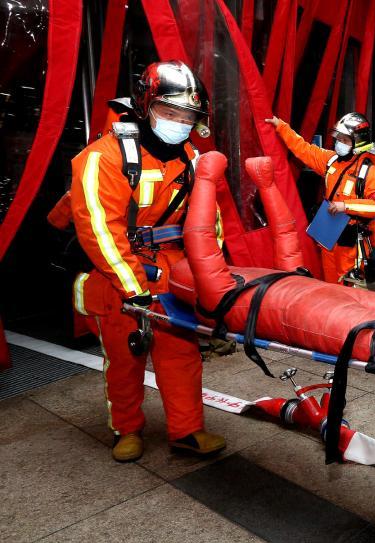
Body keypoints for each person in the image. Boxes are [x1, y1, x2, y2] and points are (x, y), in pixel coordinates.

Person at [69, 61, 227, 462]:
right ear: (144, 105)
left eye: (188, 116)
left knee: (182, 355)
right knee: (125, 358)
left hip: (173, 272)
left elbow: (208, 222)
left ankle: (187, 430)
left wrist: (209, 280)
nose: (180, 123)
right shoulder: (102, 157)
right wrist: (133, 287)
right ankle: (127, 429)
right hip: (118, 274)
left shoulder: (191, 157)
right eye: (170, 112)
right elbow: (99, 229)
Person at [265, 112, 375, 285]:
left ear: (358, 142)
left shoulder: (370, 172)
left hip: (350, 241)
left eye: (345, 140)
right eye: (338, 138)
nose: (339, 143)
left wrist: (345, 206)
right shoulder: (330, 160)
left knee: (349, 289)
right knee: (329, 284)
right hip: (328, 233)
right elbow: (304, 149)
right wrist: (281, 126)